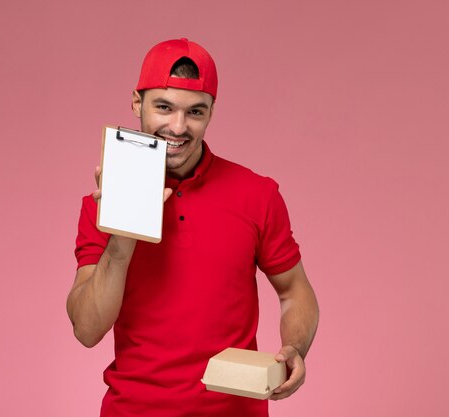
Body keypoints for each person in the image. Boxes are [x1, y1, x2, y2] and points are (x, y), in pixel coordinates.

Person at [67, 38, 319, 417]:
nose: (178, 127)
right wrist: (121, 239)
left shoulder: (257, 194)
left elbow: (294, 291)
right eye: (164, 107)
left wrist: (294, 348)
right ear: (137, 103)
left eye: (195, 112)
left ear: (212, 112)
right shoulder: (100, 204)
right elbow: (87, 331)